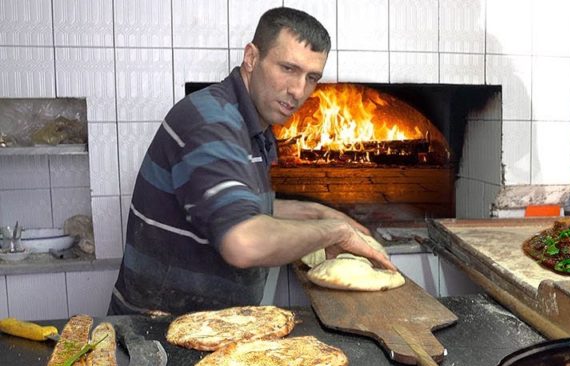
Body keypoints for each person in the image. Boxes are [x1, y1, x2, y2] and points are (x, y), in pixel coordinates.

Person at [109, 7, 395, 316]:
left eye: (311, 77)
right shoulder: (208, 123)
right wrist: (335, 232)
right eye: (287, 68)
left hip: (209, 325)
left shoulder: (249, 124)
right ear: (251, 57)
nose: (298, 91)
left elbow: (240, 207)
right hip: (157, 336)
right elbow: (242, 242)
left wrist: (315, 212)